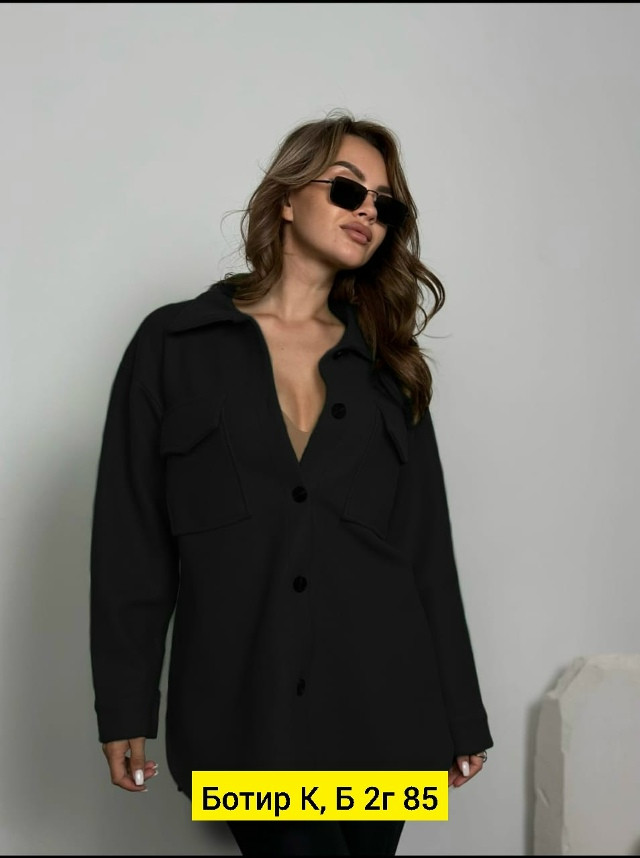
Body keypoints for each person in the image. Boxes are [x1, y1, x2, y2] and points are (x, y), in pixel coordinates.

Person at [90, 108, 494, 856]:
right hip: (242, 708)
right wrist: (124, 705)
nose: (367, 210)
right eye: (347, 189)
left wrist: (460, 714)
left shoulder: (388, 366)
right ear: (285, 197)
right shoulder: (173, 346)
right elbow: (132, 542)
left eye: (385, 204)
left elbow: (425, 551)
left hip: (383, 706)